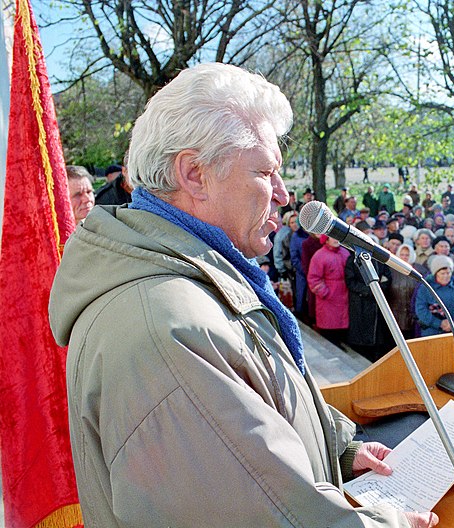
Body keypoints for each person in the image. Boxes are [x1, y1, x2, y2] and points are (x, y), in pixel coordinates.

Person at [48, 63, 433, 527]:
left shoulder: (189, 282)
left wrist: (337, 448)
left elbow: (246, 424)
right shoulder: (166, 328)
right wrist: (392, 522)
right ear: (194, 174)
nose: (284, 194)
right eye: (266, 172)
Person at [414, 255, 454, 337]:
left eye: (448, 273)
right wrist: (439, 323)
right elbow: (421, 310)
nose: (446, 276)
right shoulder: (426, 287)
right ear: (436, 273)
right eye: (442, 273)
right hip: (432, 332)